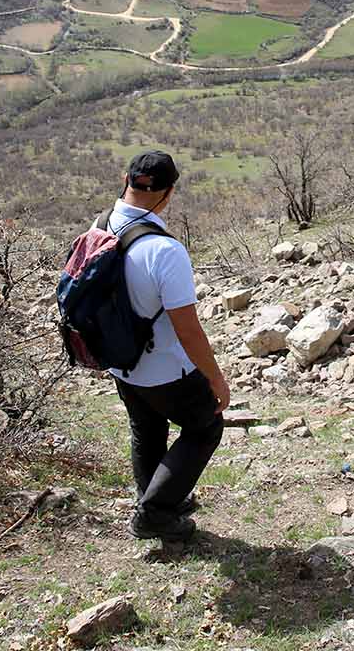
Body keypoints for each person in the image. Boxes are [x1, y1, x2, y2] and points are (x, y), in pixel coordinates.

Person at [106, 151, 229, 541]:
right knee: (205, 426)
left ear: (126, 179)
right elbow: (188, 330)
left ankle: (155, 498)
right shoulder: (164, 250)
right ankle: (156, 513)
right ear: (168, 192)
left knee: (146, 430)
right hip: (163, 368)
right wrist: (216, 380)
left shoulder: (101, 226)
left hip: (121, 361)